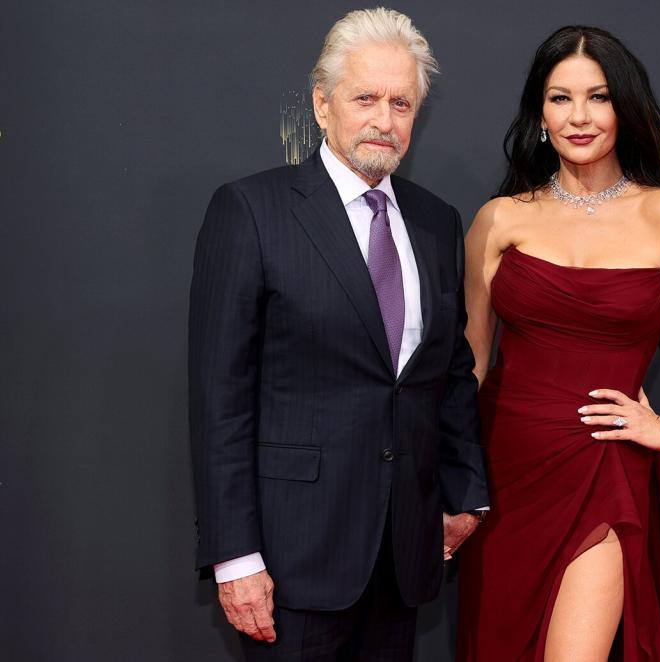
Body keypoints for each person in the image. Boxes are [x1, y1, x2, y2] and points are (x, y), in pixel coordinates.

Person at [455, 26, 660, 661]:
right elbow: (469, 364)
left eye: (597, 97)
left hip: (602, 468)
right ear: (538, 112)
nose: (578, 117)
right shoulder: (500, 220)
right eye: (559, 98)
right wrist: (448, 479)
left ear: (624, 109)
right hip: (503, 473)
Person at [188, 8, 489, 661]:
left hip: (403, 553)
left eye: (402, 103)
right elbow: (221, 398)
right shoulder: (251, 212)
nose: (384, 120)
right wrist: (234, 555)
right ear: (322, 105)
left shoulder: (437, 224)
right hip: (294, 559)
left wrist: (465, 493)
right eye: (366, 99)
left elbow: (451, 370)